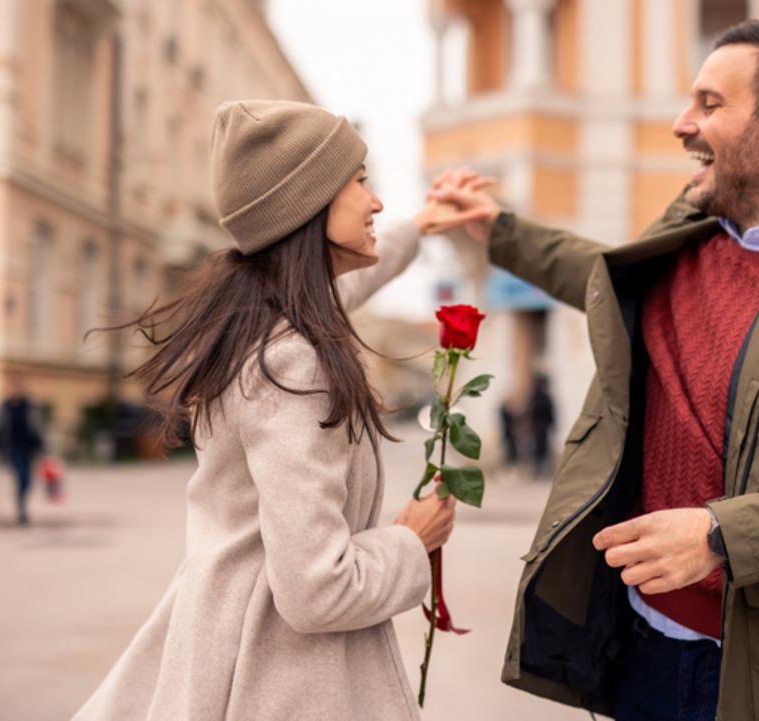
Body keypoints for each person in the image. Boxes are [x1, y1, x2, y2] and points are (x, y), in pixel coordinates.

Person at [431, 20, 759, 721]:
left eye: (709, 104)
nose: (683, 124)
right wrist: (498, 229)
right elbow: (600, 273)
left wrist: (719, 534)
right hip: (644, 650)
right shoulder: (690, 235)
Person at [72, 100, 489, 721]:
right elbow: (317, 590)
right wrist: (410, 540)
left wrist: (423, 225)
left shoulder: (262, 321)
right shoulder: (293, 362)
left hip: (232, 649)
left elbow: (351, 285)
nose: (376, 203)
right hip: (273, 679)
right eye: (361, 182)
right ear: (309, 207)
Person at [0, 375, 45, 525]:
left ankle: (21, 503)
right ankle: (21, 509)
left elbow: (37, 427)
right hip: (12, 448)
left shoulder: (29, 406)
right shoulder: (5, 407)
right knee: (20, 476)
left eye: (16, 388)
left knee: (28, 480)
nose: (14, 391)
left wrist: (41, 447)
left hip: (28, 448)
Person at [527, 374, 555, 477]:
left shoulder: (537, 397)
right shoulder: (540, 397)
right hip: (539, 428)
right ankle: (538, 468)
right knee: (539, 449)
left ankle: (540, 468)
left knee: (541, 448)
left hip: (540, 428)